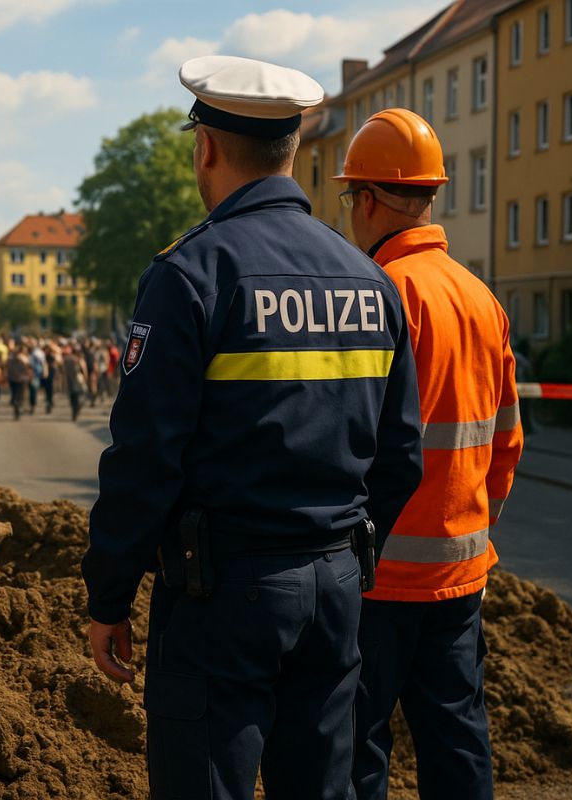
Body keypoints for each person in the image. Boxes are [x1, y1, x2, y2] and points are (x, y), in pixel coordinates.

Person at [81, 55, 424, 800]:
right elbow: (401, 459)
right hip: (337, 586)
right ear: (293, 150)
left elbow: (145, 460)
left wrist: (109, 597)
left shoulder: (191, 274)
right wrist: (349, 556)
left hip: (221, 594)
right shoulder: (370, 281)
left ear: (204, 146)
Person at [334, 109, 524, 800]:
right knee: (457, 736)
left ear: (372, 200)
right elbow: (507, 438)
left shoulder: (376, 294)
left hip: (378, 577)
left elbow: (346, 442)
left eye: (352, 195)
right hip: (461, 570)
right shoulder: (481, 298)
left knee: (357, 745)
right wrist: (470, 524)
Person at [62, 345, 87, 422]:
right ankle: (77, 410)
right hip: (78, 380)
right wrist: (85, 378)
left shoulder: (66, 359)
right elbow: (84, 370)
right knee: (80, 396)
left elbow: (63, 371)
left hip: (70, 380)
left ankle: (74, 412)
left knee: (72, 398)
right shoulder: (79, 360)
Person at [7, 345, 31, 421]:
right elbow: (28, 369)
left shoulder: (10, 360)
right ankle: (18, 409)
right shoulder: (24, 359)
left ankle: (17, 409)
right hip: (20, 380)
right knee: (19, 396)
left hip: (15, 380)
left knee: (15, 396)